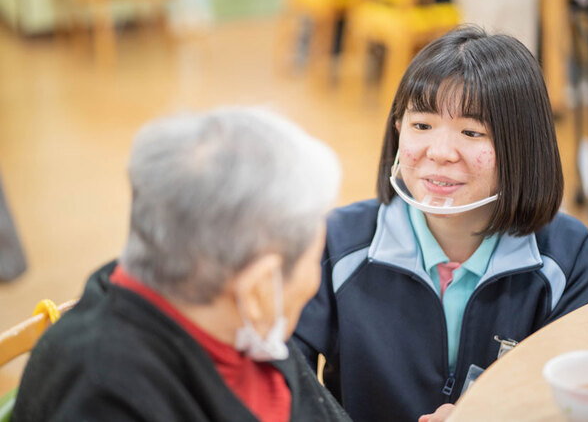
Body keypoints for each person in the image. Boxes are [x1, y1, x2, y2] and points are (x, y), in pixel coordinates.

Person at [293, 26, 588, 422]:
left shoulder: (566, 254)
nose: (439, 153)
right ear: (397, 129)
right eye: (421, 125)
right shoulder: (336, 243)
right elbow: (281, 380)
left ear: (523, 147)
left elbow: (582, 399)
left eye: (472, 132)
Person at [13, 107, 351, 422]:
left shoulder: (239, 322)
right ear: (258, 288)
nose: (314, 280)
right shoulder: (102, 396)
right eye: (314, 261)